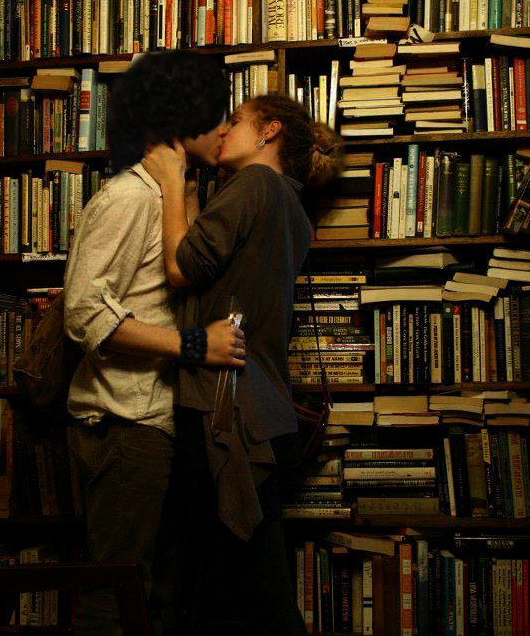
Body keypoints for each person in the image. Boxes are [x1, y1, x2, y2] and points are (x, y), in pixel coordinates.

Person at [143, 94, 343, 635]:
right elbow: (215, 266)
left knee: (236, 588)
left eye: (236, 121)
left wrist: (171, 180)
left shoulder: (254, 183)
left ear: (268, 131)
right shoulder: (292, 207)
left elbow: (183, 268)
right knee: (237, 583)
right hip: (264, 408)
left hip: (224, 408)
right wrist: (190, 191)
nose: (225, 130)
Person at [62, 51, 246, 636]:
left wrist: (182, 188)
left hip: (154, 424)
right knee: (115, 595)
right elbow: (84, 312)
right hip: (122, 425)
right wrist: (192, 346)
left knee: (155, 596)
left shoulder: (170, 197)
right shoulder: (130, 198)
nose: (225, 127)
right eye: (216, 115)